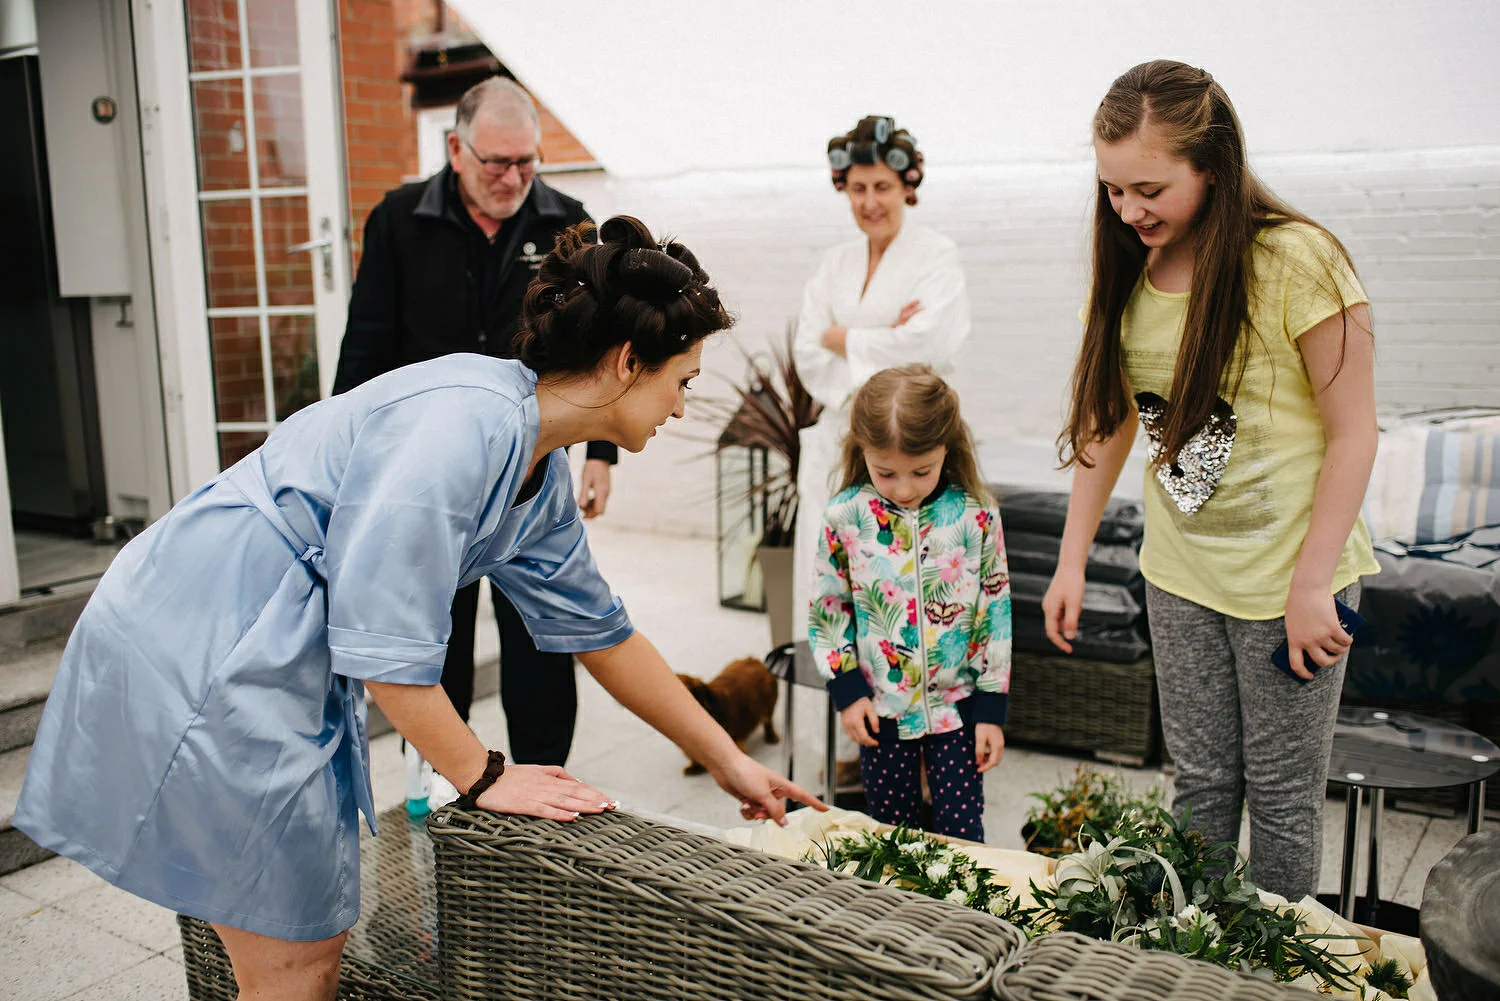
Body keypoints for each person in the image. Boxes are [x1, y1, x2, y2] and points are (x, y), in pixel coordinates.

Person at [15, 216, 823, 1001]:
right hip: (210, 629)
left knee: (301, 941)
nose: (683, 406)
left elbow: (604, 634)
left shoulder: (538, 468)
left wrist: (731, 762)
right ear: (625, 362)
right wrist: (484, 773)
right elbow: (385, 658)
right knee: (295, 954)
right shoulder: (460, 429)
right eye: (681, 380)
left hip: (267, 643)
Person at [1042, 61, 1380, 900]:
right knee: (1197, 787)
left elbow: (1354, 435)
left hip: (1289, 586)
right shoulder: (1127, 270)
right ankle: (1191, 966)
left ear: (1214, 166)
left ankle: (1275, 974)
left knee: (1283, 803)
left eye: (1149, 187)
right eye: (1113, 190)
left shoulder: (1298, 262)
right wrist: (1072, 558)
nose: (1128, 210)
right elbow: (1109, 423)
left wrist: (1312, 585)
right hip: (1181, 578)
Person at [332, 76, 608, 770]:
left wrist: (601, 452)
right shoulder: (397, 219)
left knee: (539, 635)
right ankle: (449, 776)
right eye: (497, 162)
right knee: (436, 632)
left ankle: (545, 777)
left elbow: (602, 348)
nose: (514, 178)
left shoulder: (567, 221)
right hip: (427, 474)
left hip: (529, 471)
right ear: (456, 149)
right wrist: (348, 462)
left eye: (527, 162)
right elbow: (365, 343)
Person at [808, 364, 1010, 841]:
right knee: (892, 838)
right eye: (886, 472)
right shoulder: (845, 517)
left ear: (948, 448)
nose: (903, 488)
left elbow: (994, 614)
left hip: (958, 710)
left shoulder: (977, 517)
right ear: (862, 452)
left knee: (962, 838)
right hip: (881, 709)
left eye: (921, 471)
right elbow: (828, 609)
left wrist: (991, 711)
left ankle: (961, 919)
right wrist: (848, 691)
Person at [792, 115, 972, 628]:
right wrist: (886, 336)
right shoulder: (834, 263)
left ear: (906, 186)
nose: (870, 202)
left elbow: (931, 344)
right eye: (858, 188)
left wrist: (843, 336)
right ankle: (836, 692)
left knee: (896, 584)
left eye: (882, 187)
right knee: (829, 577)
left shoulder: (937, 254)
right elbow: (808, 349)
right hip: (836, 439)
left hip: (906, 441)